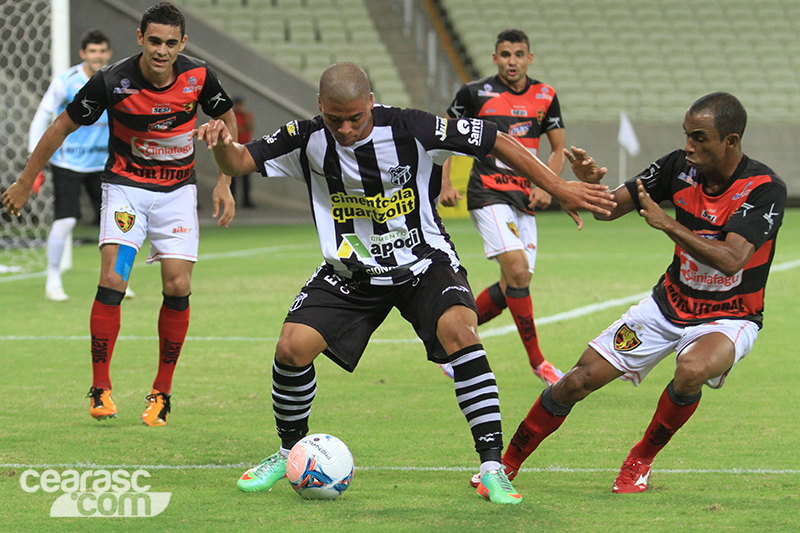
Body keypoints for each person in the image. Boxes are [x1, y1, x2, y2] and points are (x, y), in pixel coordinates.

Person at [192, 62, 615, 503]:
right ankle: (287, 451)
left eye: (356, 117)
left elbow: (496, 140)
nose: (347, 128)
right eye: (335, 119)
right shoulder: (306, 137)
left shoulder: (414, 127)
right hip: (351, 269)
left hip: (423, 261)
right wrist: (223, 146)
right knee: (291, 348)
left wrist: (559, 188)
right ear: (320, 107)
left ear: (371, 103)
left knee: (461, 332)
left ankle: (493, 468)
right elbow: (240, 160)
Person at [491, 92, 786, 494]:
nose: (689, 146)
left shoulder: (764, 189)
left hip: (730, 315)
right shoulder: (676, 167)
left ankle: (640, 459)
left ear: (731, 141)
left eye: (700, 137)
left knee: (692, 370)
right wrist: (594, 186)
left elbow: (733, 259)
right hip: (668, 305)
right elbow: (610, 209)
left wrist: (669, 225)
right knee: (578, 380)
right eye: (687, 135)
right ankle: (505, 466)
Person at [2, 2, 237, 427]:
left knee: (179, 284)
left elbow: (225, 120)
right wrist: (24, 181)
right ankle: (100, 387)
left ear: (182, 43)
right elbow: (60, 127)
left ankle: (161, 392)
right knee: (113, 278)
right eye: (154, 41)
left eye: (170, 43)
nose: (161, 51)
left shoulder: (199, 76)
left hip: (177, 194)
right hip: (126, 188)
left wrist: (225, 180)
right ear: (140, 39)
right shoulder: (112, 80)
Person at [440, 29, 566, 386]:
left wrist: (546, 185)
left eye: (519, 54)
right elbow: (445, 136)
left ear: (530, 58)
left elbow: (558, 150)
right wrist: (446, 183)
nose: (512, 61)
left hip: (524, 199)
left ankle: (447, 341)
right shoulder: (474, 94)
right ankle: (539, 363)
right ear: (495, 58)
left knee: (513, 283)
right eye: (506, 54)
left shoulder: (546, 96)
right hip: (487, 191)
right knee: (519, 272)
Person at [29, 29, 113, 301]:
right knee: (65, 221)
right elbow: (43, 114)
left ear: (108, 53)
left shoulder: (115, 80)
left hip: (103, 163)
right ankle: (53, 279)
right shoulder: (66, 81)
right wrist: (35, 161)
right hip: (68, 162)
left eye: (102, 51)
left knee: (114, 225)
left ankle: (115, 279)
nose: (97, 56)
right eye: (92, 51)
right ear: (83, 54)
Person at [231, 96, 255, 207]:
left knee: (246, 176)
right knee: (233, 176)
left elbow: (249, 127)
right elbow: (234, 128)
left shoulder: (247, 115)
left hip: (246, 147)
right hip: (234, 146)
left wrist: (244, 114)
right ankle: (232, 199)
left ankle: (246, 200)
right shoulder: (232, 115)